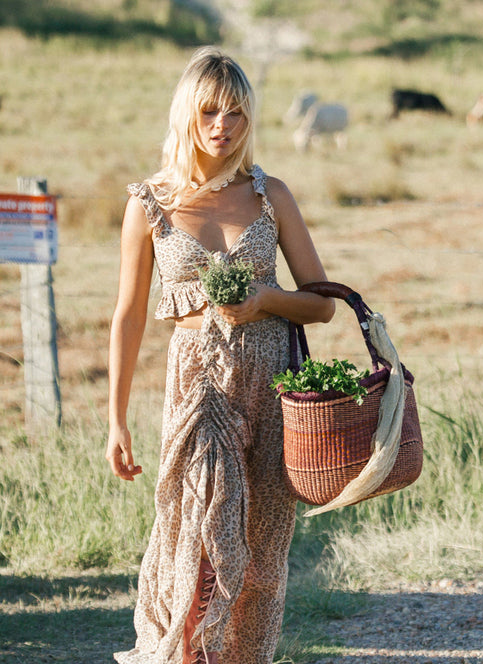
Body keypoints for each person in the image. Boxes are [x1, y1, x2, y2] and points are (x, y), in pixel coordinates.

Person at [106, 46, 334, 664]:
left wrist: (265, 300)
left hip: (271, 389)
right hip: (198, 392)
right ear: (186, 112)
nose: (222, 126)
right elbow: (128, 316)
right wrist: (116, 419)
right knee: (201, 538)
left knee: (261, 553)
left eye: (236, 112)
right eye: (209, 111)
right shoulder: (149, 203)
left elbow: (323, 305)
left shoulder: (271, 196)